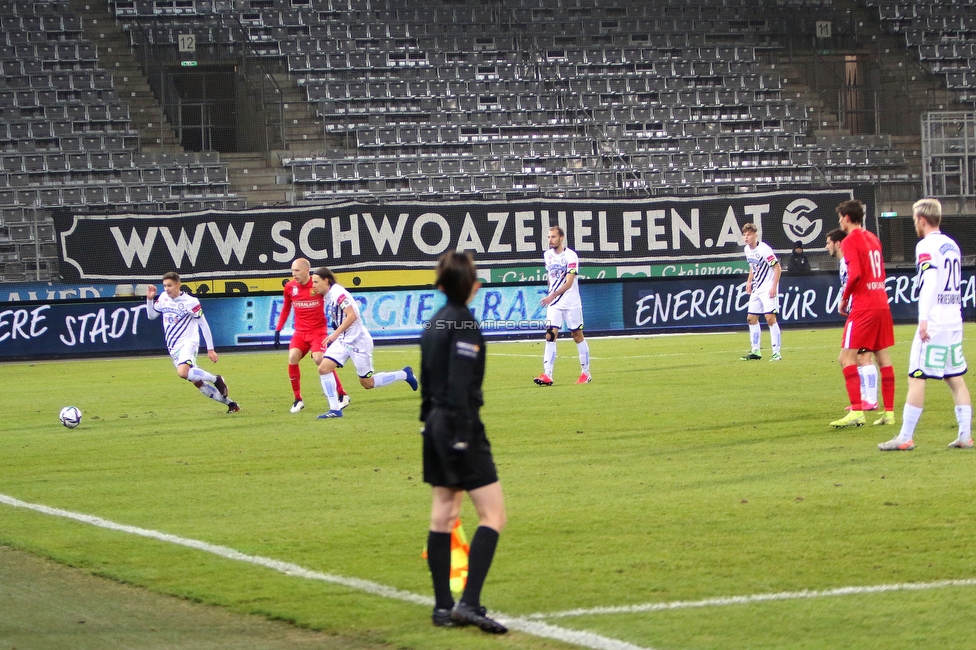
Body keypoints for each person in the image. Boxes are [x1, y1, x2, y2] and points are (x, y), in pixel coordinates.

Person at [420, 251, 507, 634]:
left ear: (441, 286)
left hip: (434, 423)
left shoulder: (433, 323)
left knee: (444, 512)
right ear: (474, 286)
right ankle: (469, 603)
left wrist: (429, 426)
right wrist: (462, 436)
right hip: (459, 424)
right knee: (494, 515)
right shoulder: (464, 324)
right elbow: (459, 385)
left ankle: (442, 608)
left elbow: (427, 384)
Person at [878, 198, 972, 451]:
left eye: (914, 220)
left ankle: (906, 436)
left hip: (936, 322)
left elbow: (930, 280)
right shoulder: (952, 245)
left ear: (921, 219)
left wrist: (923, 319)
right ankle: (965, 434)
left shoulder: (925, 245)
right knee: (955, 378)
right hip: (954, 319)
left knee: (917, 376)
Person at [312, 267, 417, 419]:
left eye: (316, 282)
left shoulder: (338, 294)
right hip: (344, 340)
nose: (313, 285)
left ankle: (404, 374)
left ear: (326, 280)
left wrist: (334, 334)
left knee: (367, 383)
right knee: (323, 368)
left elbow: (352, 315)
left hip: (358, 342)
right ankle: (334, 409)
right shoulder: (328, 296)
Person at [829, 200, 897, 428]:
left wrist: (845, 298)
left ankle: (857, 411)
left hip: (864, 305)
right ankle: (889, 413)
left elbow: (855, 274)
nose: (839, 221)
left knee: (845, 358)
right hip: (881, 302)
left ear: (847, 218)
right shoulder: (873, 238)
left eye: (840, 217)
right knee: (883, 359)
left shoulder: (850, 241)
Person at [145, 271, 240, 413]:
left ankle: (216, 379)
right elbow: (151, 316)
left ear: (178, 284)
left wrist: (210, 349)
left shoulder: (191, 302)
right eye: (164, 286)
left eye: (169, 285)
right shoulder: (164, 298)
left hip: (188, 342)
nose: (166, 289)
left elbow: (203, 324)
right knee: (196, 381)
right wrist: (149, 299)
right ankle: (231, 404)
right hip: (173, 346)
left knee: (183, 372)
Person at [274, 258, 349, 414]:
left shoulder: (317, 286)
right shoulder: (289, 287)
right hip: (300, 333)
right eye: (292, 271)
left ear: (307, 271)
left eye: (297, 271)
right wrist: (278, 329)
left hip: (318, 332)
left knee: (320, 360)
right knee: (292, 357)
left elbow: (333, 303)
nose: (293, 274)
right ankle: (298, 399)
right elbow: (286, 309)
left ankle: (342, 395)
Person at [826, 229, 880, 411]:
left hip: (862, 310)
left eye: (828, 243)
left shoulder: (848, 261)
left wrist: (846, 299)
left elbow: (855, 279)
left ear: (837, 243)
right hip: (864, 309)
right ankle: (867, 398)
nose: (827, 247)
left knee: (861, 356)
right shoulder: (844, 262)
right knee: (859, 356)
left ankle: (869, 399)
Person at [534, 226, 591, 385]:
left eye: (553, 237)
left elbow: (569, 282)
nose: (550, 240)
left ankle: (585, 373)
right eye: (548, 237)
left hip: (571, 302)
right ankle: (547, 374)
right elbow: (550, 276)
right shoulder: (547, 255)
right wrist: (550, 292)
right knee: (550, 335)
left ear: (561, 238)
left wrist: (551, 295)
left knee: (577, 336)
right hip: (554, 304)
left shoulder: (571, 256)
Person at [739, 223, 782, 361]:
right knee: (751, 319)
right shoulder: (747, 250)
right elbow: (753, 266)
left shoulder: (764, 250)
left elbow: (777, 268)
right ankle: (756, 351)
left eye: (749, 234)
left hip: (768, 287)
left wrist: (774, 287)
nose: (746, 237)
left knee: (770, 319)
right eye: (744, 234)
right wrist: (749, 281)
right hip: (757, 288)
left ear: (755, 235)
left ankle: (776, 353)